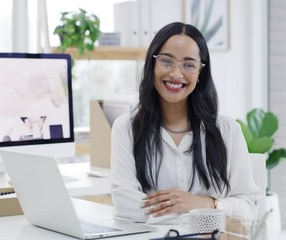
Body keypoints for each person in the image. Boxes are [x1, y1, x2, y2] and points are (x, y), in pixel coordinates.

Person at [110, 22, 261, 224]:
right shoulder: (126, 128)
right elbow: (126, 208)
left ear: (200, 72)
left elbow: (250, 208)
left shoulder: (228, 131)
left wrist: (206, 203)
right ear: (152, 64)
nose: (176, 74)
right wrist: (203, 217)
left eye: (189, 64)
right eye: (167, 61)